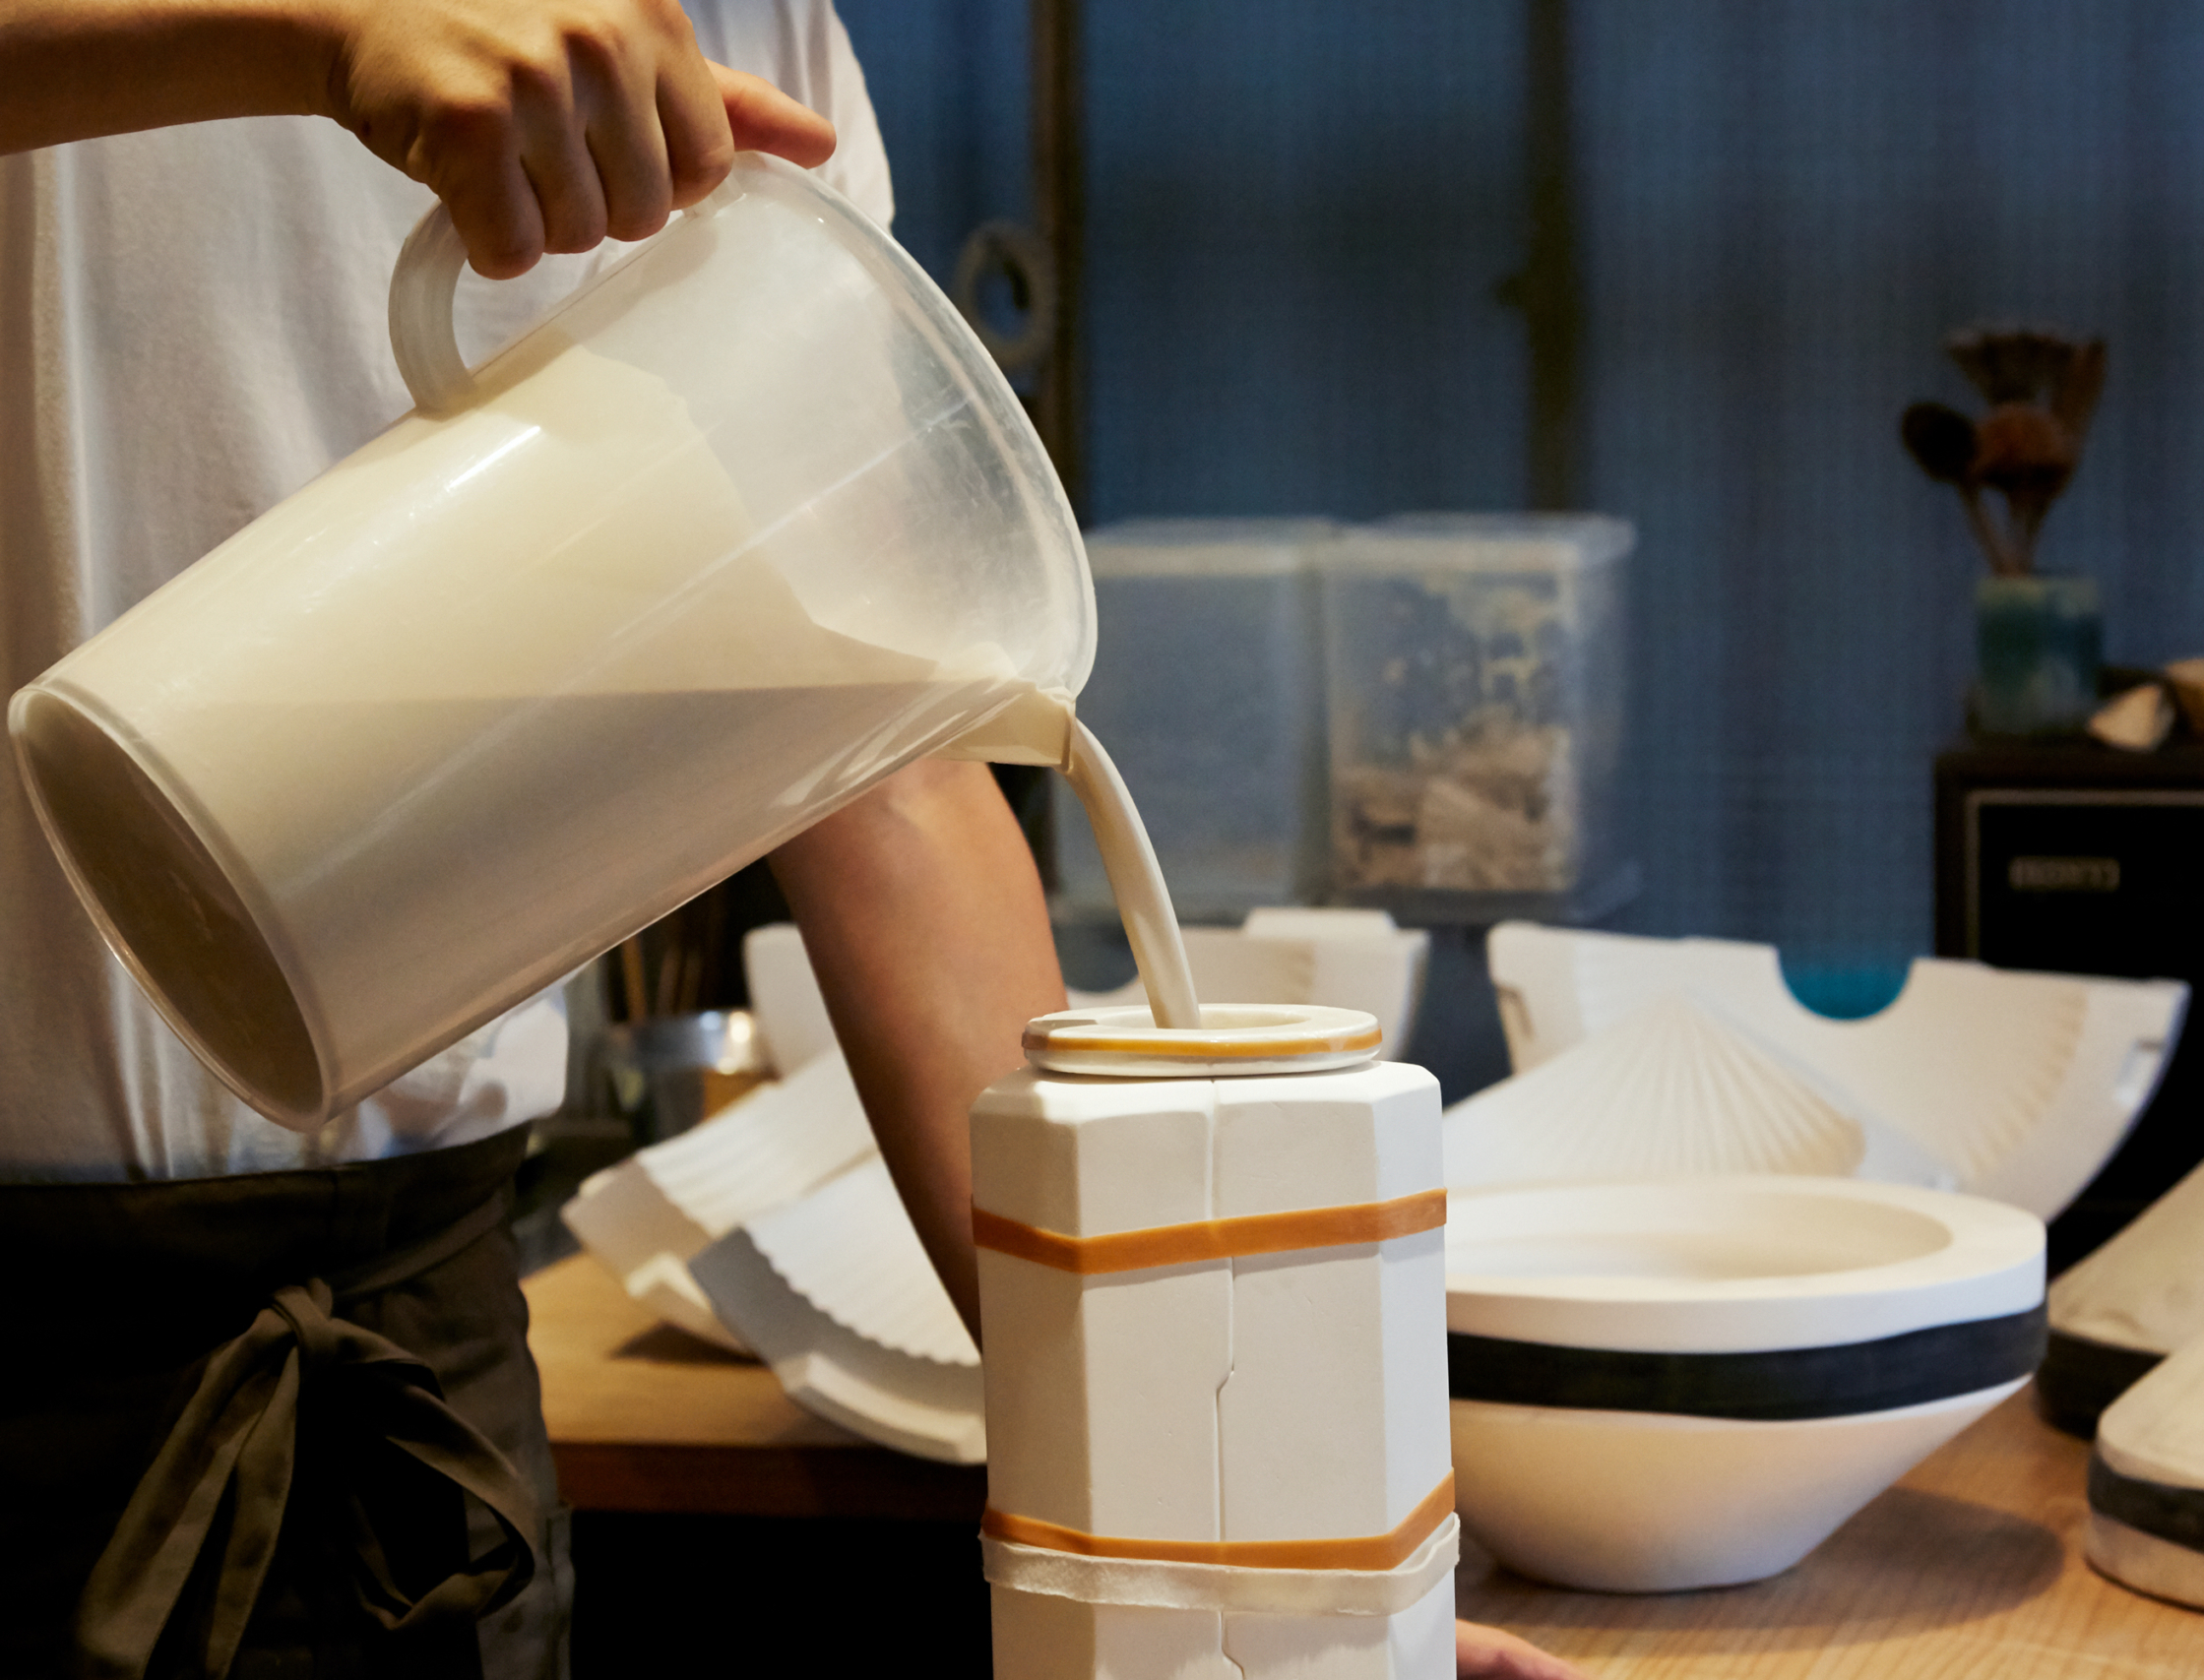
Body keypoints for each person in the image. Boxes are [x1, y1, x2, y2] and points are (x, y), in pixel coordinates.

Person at [0, 5, 1584, 1676]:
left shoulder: (742, 26)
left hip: (416, 1350)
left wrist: (1254, 1574)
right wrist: (312, 37)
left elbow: (868, 745)